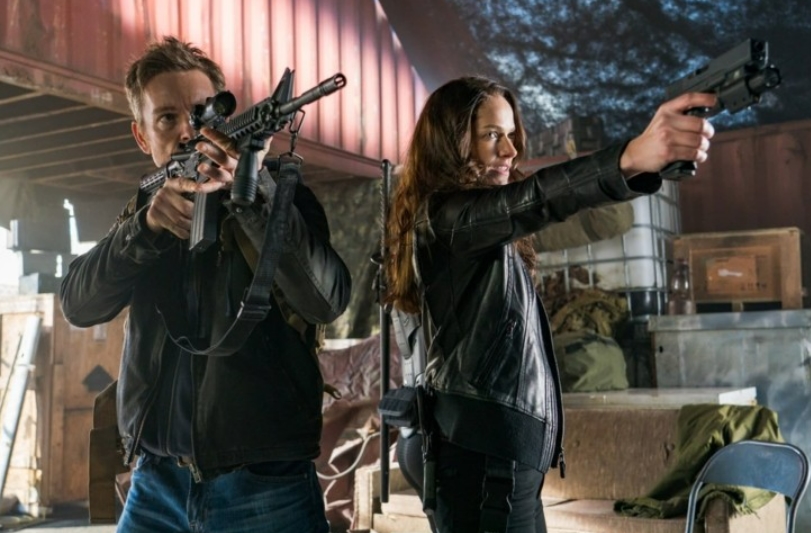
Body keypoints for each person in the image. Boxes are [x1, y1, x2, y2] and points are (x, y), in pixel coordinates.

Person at [384, 76, 716, 533]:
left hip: (492, 453)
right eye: (491, 135)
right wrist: (630, 157)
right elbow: (539, 198)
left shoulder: (463, 224)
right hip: (482, 458)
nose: (509, 150)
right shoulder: (449, 218)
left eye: (510, 135)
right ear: (449, 142)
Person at [59, 36, 351, 533]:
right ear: (142, 136)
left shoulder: (282, 192)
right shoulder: (144, 210)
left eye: (200, 112)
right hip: (157, 484)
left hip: (265, 486)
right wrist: (145, 230)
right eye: (166, 118)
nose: (187, 130)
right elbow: (79, 305)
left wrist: (254, 197)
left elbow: (327, 299)